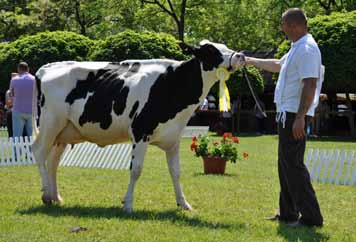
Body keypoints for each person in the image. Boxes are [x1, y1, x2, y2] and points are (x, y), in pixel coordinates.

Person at [243, 8, 324, 227]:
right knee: (285, 164)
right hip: (285, 113)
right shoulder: (296, 48)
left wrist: (300, 117)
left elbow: (310, 83)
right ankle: (288, 212)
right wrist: (250, 61)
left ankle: (312, 218)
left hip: (293, 114)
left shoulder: (307, 48)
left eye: (284, 25)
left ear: (294, 26)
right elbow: (278, 65)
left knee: (293, 165)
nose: (282, 29)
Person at [9, 62, 34, 139]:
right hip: (32, 111)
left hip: (18, 110)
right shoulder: (34, 79)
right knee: (32, 136)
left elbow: (11, 94)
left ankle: (16, 151)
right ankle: (32, 151)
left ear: (18, 69)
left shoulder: (14, 79)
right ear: (28, 69)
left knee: (17, 136)